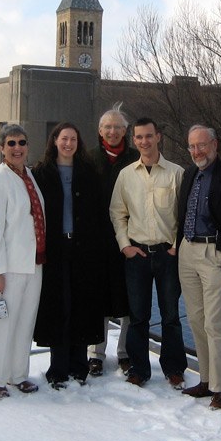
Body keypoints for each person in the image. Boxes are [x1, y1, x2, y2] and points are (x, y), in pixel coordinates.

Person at [109, 117, 186, 388]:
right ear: (134, 140)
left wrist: (176, 246)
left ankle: (174, 367)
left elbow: (183, 214)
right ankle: (139, 369)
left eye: (149, 136)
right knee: (138, 316)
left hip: (168, 254)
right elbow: (117, 212)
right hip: (137, 255)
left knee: (171, 316)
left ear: (159, 136)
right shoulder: (126, 175)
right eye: (139, 137)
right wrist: (124, 245)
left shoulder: (176, 173)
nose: (144, 141)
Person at [176, 125, 221, 410]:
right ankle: (205, 380)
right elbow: (182, 214)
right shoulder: (189, 174)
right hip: (187, 250)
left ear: (215, 144)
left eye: (201, 145)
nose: (197, 152)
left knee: (215, 322)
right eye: (192, 146)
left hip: (213, 253)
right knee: (195, 318)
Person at [32, 122, 106, 388]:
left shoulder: (89, 173)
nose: (68, 144)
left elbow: (99, 213)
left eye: (73, 139)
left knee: (82, 306)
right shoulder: (41, 173)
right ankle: (58, 367)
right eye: (64, 139)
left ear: (79, 143)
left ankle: (79, 366)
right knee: (58, 307)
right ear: (54, 141)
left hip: (84, 249)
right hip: (54, 249)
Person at [0, 124, 45, 399]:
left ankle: (18, 374)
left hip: (32, 264)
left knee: (24, 323)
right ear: (3, 148)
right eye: (11, 143)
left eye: (22, 143)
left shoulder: (28, 175)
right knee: (1, 324)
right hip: (7, 268)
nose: (17, 148)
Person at [87, 106, 139, 376]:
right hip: (97, 241)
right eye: (108, 127)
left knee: (128, 299)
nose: (113, 131)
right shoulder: (88, 159)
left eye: (118, 127)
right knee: (99, 298)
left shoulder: (136, 159)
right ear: (100, 131)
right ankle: (96, 352)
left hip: (130, 239)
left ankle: (125, 352)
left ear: (125, 131)